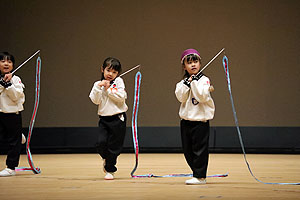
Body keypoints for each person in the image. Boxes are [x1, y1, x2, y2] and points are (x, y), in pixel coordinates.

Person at [175, 49, 215, 185]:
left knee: (200, 150)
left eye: (195, 61)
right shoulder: (182, 83)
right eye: (189, 62)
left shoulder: (204, 80)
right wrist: (187, 83)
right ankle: (196, 173)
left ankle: (200, 176)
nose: (193, 65)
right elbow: (181, 97)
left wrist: (194, 82)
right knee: (188, 151)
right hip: (186, 121)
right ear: (184, 66)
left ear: (200, 63)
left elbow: (202, 96)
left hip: (200, 122)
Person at [89, 57, 128, 180]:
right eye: (108, 70)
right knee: (101, 143)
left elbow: (122, 97)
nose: (110, 74)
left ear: (118, 74)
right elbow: (95, 100)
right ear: (102, 69)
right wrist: (99, 87)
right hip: (104, 119)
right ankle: (106, 159)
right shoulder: (97, 84)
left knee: (114, 146)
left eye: (114, 72)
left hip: (118, 118)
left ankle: (110, 170)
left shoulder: (119, 82)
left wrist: (109, 89)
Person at [0, 52, 26, 177]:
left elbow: (16, 97)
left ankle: (11, 167)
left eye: (9, 61)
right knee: (8, 137)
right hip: (0, 114)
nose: (6, 63)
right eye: (3, 61)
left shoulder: (16, 79)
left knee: (13, 143)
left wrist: (9, 85)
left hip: (12, 114)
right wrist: (2, 84)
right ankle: (18, 134)